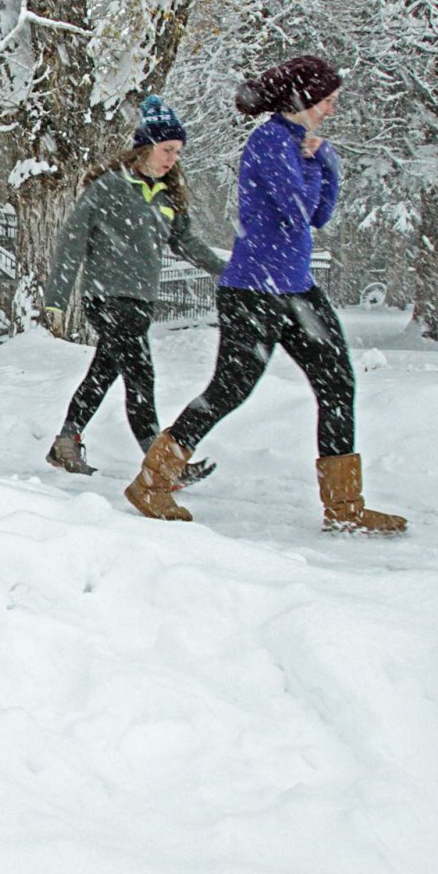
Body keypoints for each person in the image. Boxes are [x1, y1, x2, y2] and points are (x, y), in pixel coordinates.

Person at [124, 56, 406, 533]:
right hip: (254, 290)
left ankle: (344, 508)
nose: (332, 110)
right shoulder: (270, 141)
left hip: (296, 288)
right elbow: (297, 211)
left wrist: (325, 161)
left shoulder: (299, 144)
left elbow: (320, 215)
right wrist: (312, 164)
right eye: (328, 101)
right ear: (304, 99)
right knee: (229, 389)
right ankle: (151, 483)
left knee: (338, 385)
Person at [41, 95, 228, 479]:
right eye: (167, 149)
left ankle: (65, 443)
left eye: (178, 152)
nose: (173, 158)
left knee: (103, 373)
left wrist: (227, 271)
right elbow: (72, 240)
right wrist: (56, 297)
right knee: (141, 375)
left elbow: (187, 243)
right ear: (146, 147)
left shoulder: (167, 198)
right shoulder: (109, 188)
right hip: (106, 297)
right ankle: (161, 463)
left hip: (141, 301)